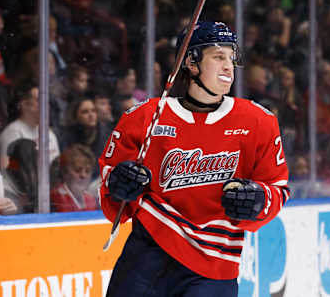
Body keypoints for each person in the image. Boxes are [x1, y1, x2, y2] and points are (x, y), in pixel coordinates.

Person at [99, 21, 290, 296]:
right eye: (218, 56)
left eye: (231, 58)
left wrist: (258, 199)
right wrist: (119, 185)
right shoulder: (143, 118)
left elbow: (277, 189)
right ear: (191, 61)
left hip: (213, 267)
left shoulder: (258, 121)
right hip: (145, 259)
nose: (228, 66)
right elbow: (112, 202)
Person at [0, 81, 60, 169]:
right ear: (24, 104)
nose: (46, 105)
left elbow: (58, 167)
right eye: (40, 100)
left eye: (47, 101)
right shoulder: (12, 133)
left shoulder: (49, 133)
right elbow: (6, 171)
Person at [51, 143, 98, 212]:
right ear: (65, 172)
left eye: (87, 171)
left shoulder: (91, 200)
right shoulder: (55, 199)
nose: (83, 175)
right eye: (77, 170)